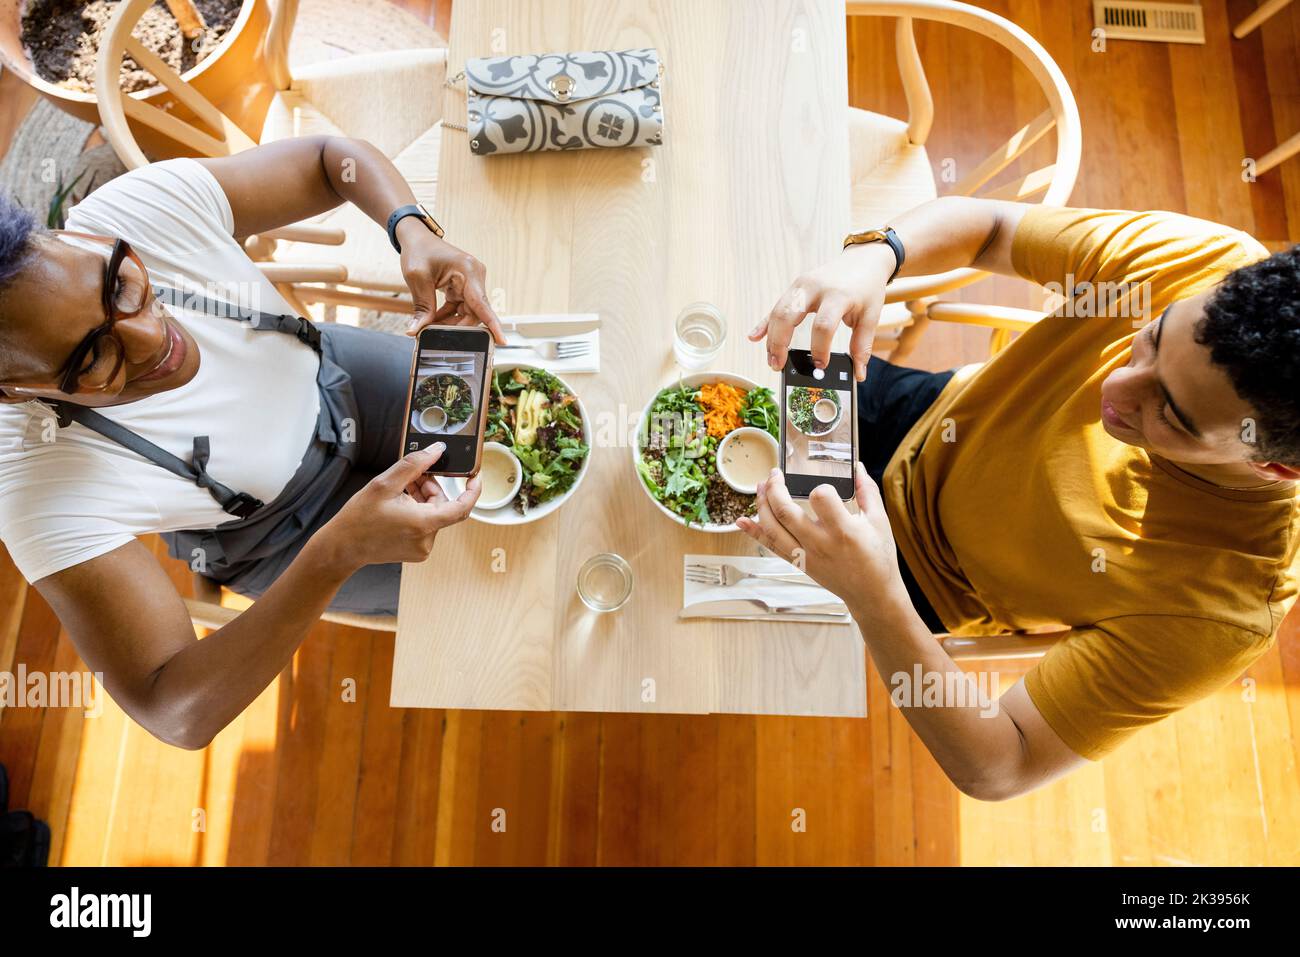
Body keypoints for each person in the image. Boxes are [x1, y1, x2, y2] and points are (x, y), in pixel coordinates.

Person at [745, 197, 1300, 800]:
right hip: (928, 414)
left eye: (1170, 412)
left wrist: (875, 597)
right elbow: (992, 230)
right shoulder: (1204, 261)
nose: (1115, 388)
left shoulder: (1221, 611)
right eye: (1153, 336)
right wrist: (879, 256)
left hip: (912, 580)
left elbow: (1002, 765)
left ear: (1274, 466)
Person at [0, 136, 503, 749]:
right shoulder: (33, 487)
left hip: (333, 378)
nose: (154, 338)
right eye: (94, 355)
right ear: (17, 391)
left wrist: (412, 230)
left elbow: (328, 161)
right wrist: (334, 553)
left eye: (120, 288)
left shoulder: (129, 213)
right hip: (288, 533)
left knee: (510, 428)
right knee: (491, 585)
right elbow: (172, 711)